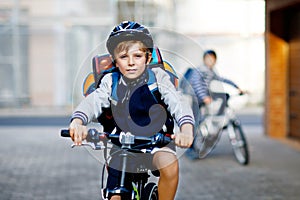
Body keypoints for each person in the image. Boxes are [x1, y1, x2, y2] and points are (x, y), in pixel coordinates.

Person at [68, 21, 194, 200]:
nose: (131, 63)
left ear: (148, 58)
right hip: (122, 147)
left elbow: (178, 102)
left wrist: (186, 128)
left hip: (156, 144)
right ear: (115, 61)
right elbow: (93, 101)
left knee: (170, 165)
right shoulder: (110, 81)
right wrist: (78, 122)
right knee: (115, 196)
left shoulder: (158, 78)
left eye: (137, 56)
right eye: (124, 57)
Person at [185, 49, 245, 159]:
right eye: (208, 58)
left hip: (205, 95)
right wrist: (204, 97)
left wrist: (237, 87)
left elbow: (222, 79)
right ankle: (191, 148)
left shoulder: (211, 71)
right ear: (204, 60)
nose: (210, 61)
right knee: (195, 122)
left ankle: (215, 122)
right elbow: (197, 84)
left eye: (212, 59)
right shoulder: (200, 70)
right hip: (195, 97)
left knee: (224, 95)